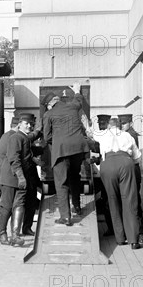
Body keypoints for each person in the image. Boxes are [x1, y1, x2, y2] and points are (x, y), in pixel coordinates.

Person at [43, 83, 91, 226]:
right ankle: (77, 206)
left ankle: (66, 217)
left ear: (50, 104)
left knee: (61, 183)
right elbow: (78, 100)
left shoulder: (48, 114)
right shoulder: (72, 106)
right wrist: (77, 90)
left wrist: (58, 140)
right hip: (78, 149)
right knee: (74, 177)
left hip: (61, 151)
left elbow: (46, 137)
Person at [93, 116, 142, 249]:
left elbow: (90, 135)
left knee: (112, 200)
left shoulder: (102, 135)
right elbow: (137, 157)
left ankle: (120, 238)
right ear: (119, 126)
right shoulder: (128, 135)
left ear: (109, 126)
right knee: (130, 201)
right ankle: (134, 240)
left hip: (107, 164)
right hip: (126, 162)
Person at [0, 113, 40, 247]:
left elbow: (26, 157)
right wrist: (21, 176)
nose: (29, 126)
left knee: (19, 205)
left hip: (22, 179)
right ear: (19, 124)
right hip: (11, 178)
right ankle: (2, 233)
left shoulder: (24, 138)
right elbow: (14, 159)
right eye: (26, 123)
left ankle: (15, 235)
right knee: (7, 206)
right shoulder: (15, 137)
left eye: (31, 124)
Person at [119, 113, 143, 242]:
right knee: (134, 201)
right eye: (121, 123)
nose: (122, 126)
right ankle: (137, 232)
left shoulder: (131, 134)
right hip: (131, 170)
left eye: (124, 123)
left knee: (134, 201)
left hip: (133, 171)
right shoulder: (128, 133)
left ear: (130, 123)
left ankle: (139, 233)